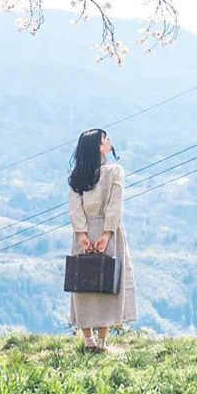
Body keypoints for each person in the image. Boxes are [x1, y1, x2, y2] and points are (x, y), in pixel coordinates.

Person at [67, 128, 137, 353]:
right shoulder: (115, 171)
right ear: (98, 147)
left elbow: (74, 208)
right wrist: (107, 233)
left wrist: (82, 235)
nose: (108, 142)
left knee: (84, 284)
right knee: (107, 283)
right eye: (104, 139)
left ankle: (88, 341)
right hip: (108, 231)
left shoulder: (77, 176)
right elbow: (115, 205)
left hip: (84, 232)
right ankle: (103, 343)